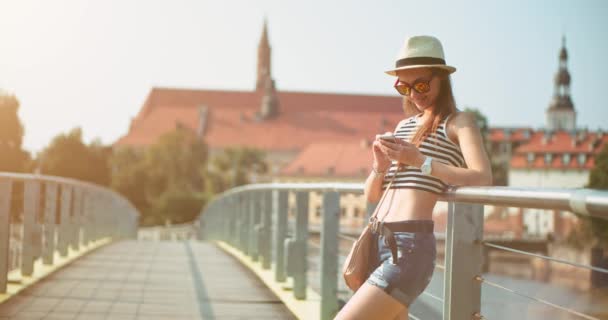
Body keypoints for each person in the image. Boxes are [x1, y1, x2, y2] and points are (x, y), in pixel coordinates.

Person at [334, 35, 492, 320]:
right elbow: (372, 196)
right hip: (378, 241)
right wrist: (380, 166)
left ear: (441, 78)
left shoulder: (458, 122)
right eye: (404, 87)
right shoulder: (404, 126)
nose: (414, 94)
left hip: (409, 247)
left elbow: (482, 178)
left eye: (420, 84)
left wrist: (419, 160)